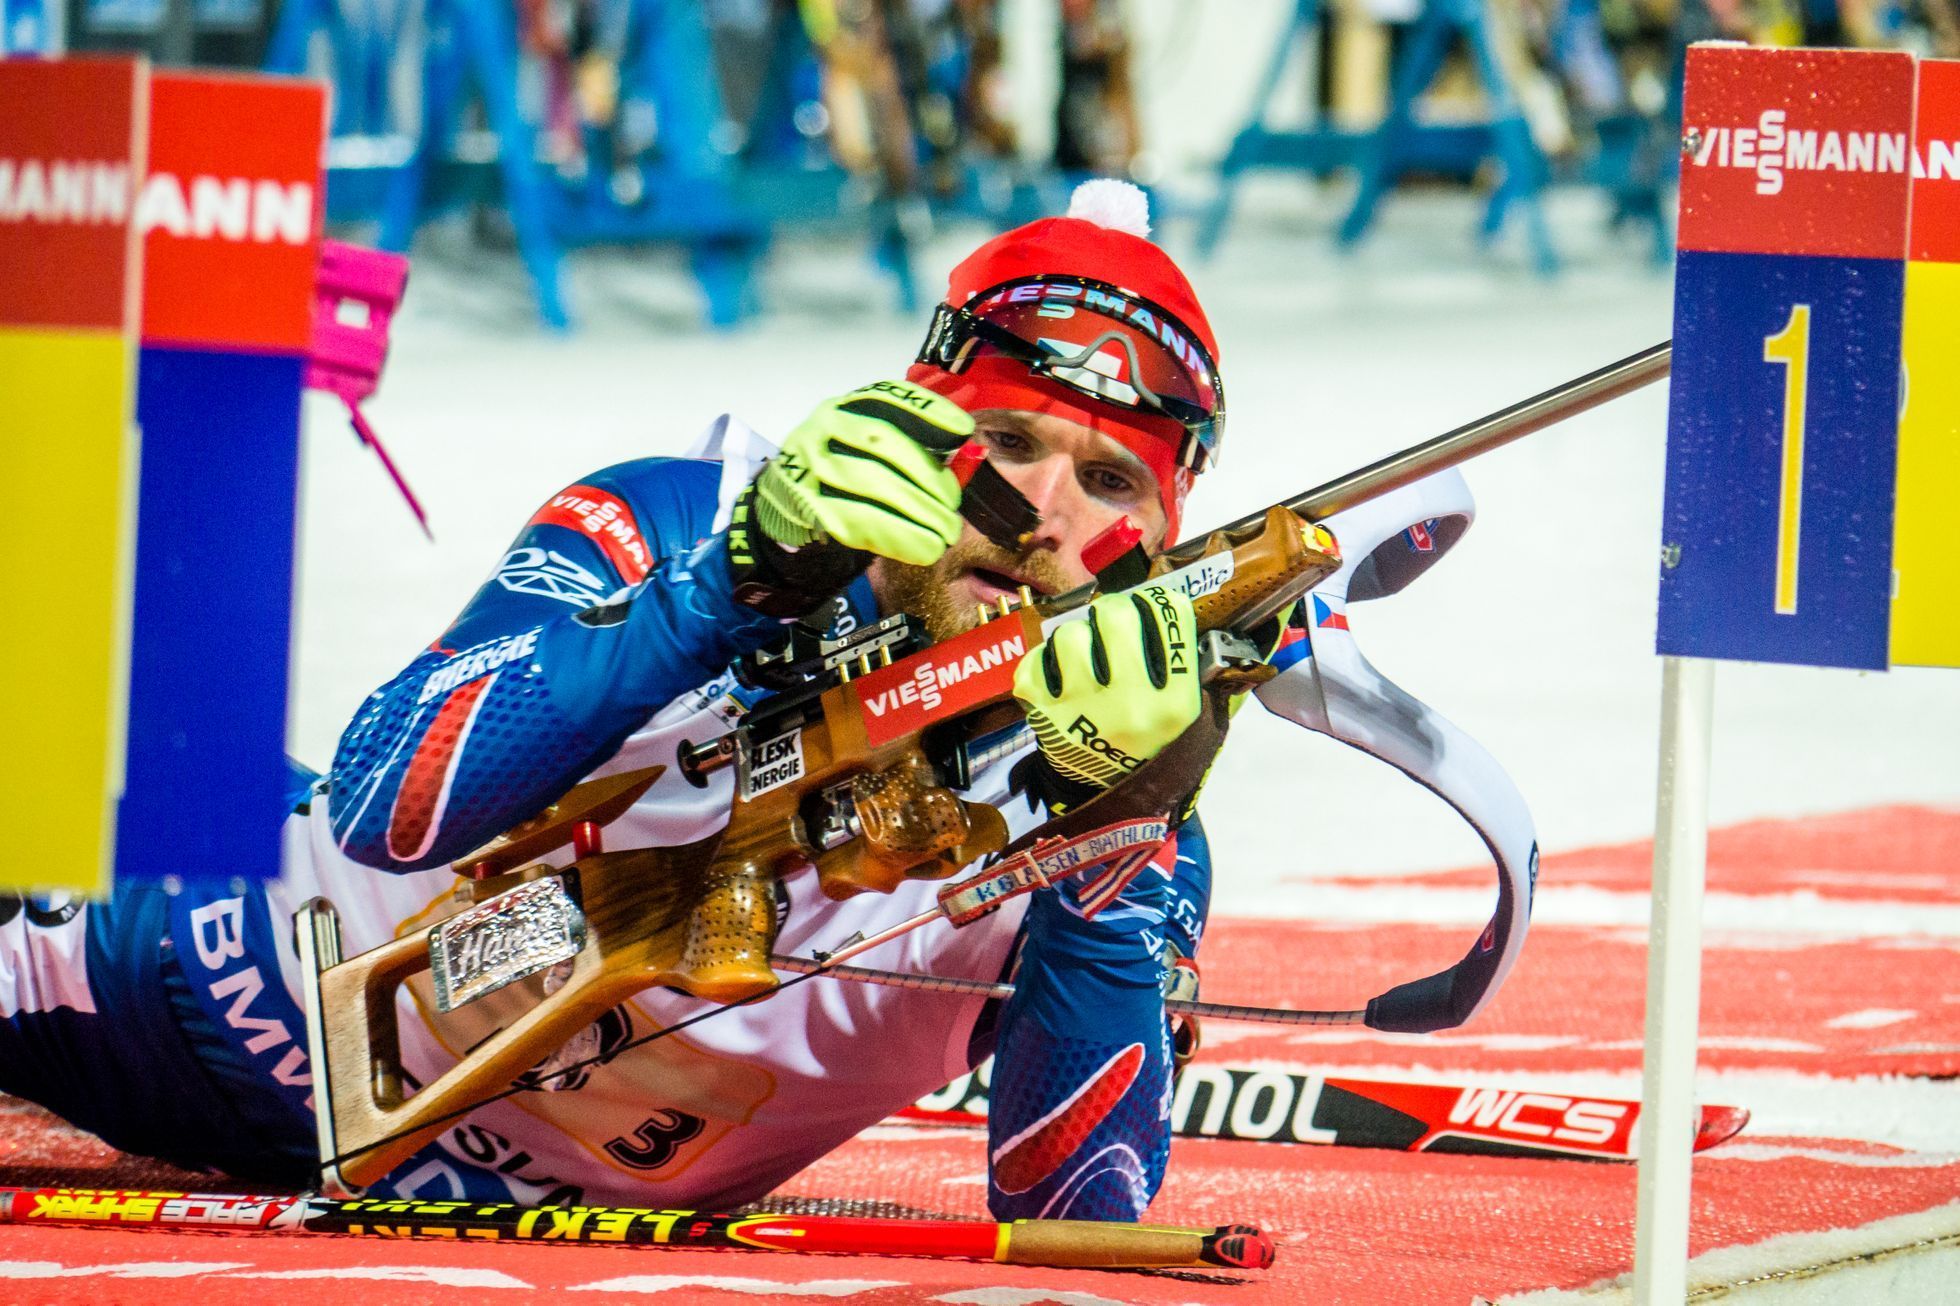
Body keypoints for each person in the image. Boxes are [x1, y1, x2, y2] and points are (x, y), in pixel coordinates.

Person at [0, 180, 1232, 1221]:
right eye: (1010, 444)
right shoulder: (686, 519)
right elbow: (382, 800)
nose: (1047, 513)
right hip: (178, 960)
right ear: (916, 429)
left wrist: (1111, 833)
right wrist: (722, 591)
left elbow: (1078, 1214)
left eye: (1111, 478)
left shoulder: (1129, 801)